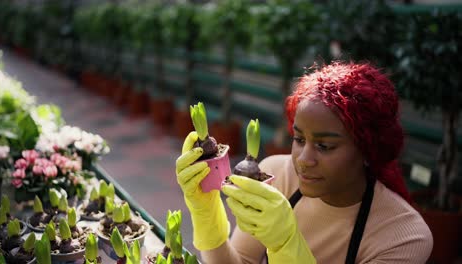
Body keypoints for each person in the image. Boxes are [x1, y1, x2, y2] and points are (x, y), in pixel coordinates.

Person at [175, 62, 433, 264]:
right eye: (299, 138)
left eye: (324, 146)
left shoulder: (404, 236)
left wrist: (287, 244)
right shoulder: (275, 175)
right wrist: (205, 209)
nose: (303, 160)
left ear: (368, 149)